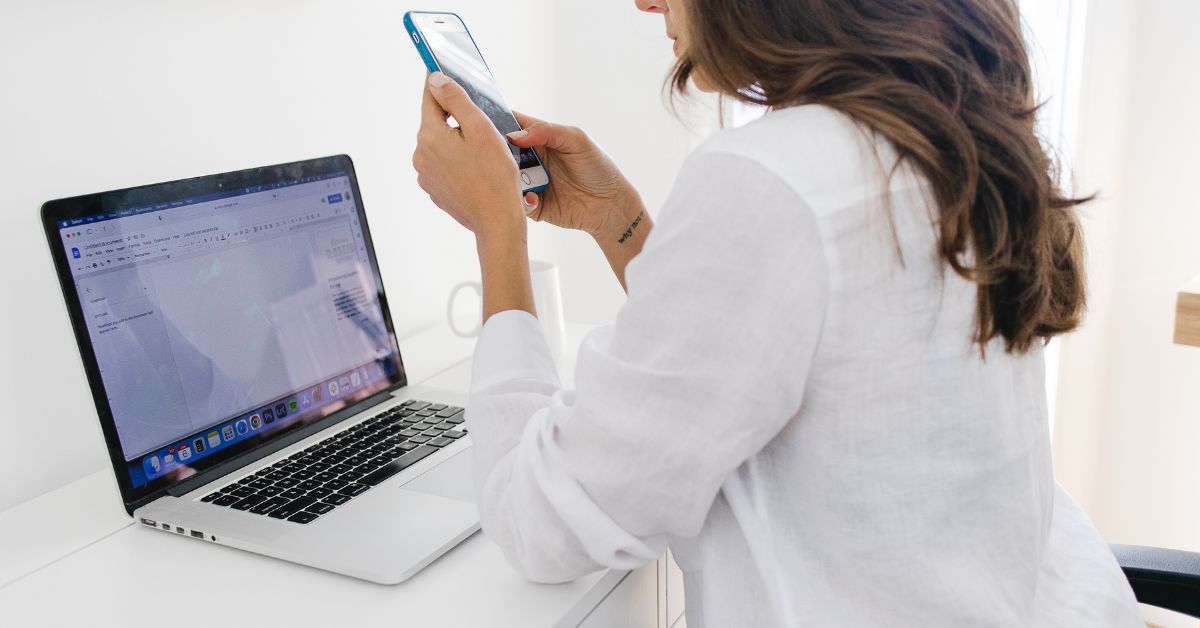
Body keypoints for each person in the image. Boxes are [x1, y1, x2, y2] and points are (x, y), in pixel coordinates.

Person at [411, 0, 1142, 625]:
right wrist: (619, 220)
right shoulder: (939, 136)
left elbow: (539, 524)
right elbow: (765, 345)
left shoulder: (774, 179)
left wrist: (496, 229)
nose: (644, 2)